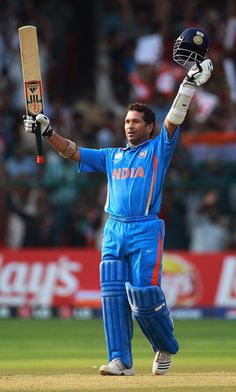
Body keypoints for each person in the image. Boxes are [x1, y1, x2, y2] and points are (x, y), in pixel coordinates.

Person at [23, 28, 213, 376]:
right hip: (113, 230)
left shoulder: (159, 149)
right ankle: (121, 361)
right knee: (111, 294)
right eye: (127, 121)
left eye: (136, 122)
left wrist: (188, 85)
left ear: (150, 128)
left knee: (143, 296)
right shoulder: (112, 156)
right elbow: (72, 151)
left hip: (145, 229)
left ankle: (164, 346)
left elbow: (175, 117)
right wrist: (47, 131)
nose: (129, 126)